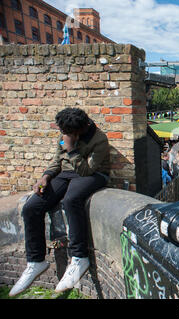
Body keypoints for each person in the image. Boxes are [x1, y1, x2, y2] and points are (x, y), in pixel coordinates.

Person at [9, 108, 110, 297]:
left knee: (71, 200)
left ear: (80, 129)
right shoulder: (66, 133)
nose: (65, 136)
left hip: (94, 174)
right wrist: (46, 177)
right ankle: (36, 261)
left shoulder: (100, 140)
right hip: (66, 174)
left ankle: (79, 257)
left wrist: (72, 149)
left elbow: (87, 171)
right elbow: (58, 160)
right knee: (32, 207)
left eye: (69, 134)